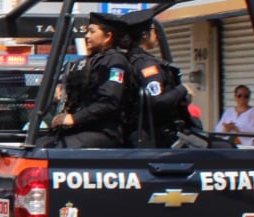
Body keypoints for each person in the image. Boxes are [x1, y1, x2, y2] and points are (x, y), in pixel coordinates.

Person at [42, 11, 137, 148]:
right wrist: (61, 88)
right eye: (87, 31)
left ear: (108, 37)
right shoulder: (87, 61)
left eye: (92, 32)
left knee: (55, 150)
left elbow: (109, 102)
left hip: (103, 131)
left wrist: (74, 118)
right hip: (82, 128)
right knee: (40, 145)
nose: (87, 36)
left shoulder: (115, 62)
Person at [123, 12, 199, 148]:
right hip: (156, 136)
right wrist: (182, 90)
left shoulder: (125, 61)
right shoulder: (147, 64)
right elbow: (156, 102)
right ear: (145, 35)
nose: (156, 35)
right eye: (153, 30)